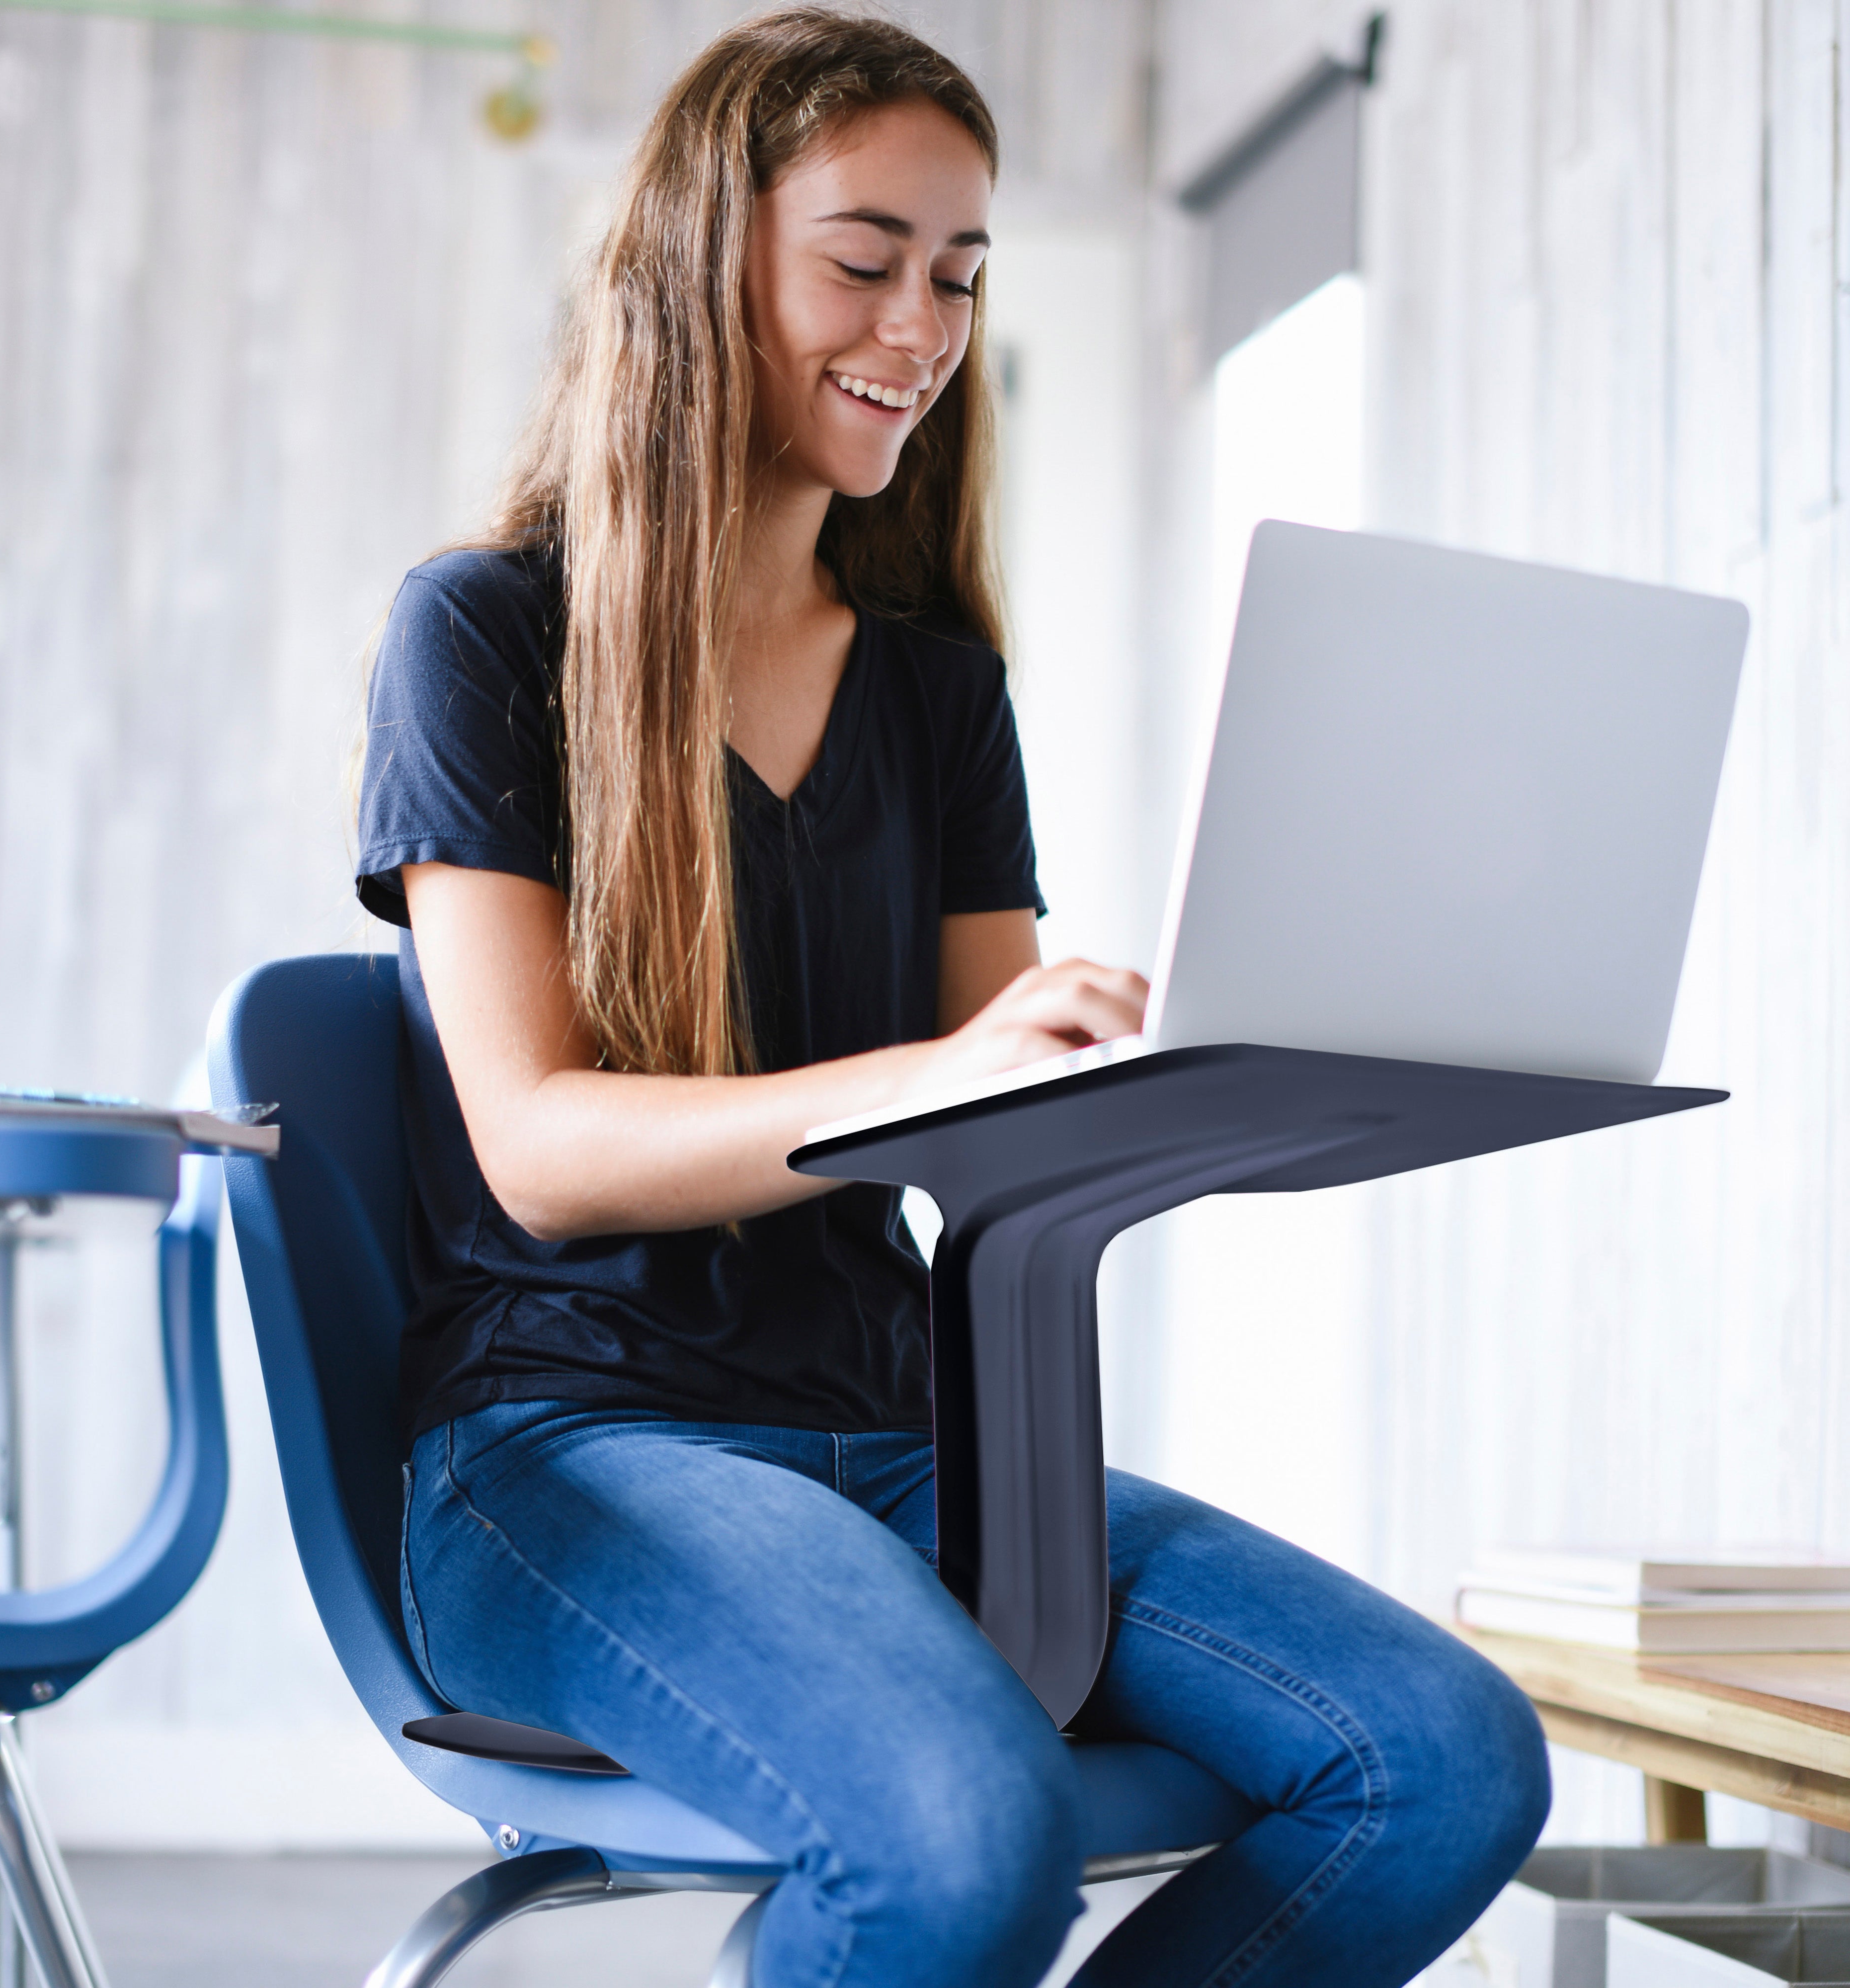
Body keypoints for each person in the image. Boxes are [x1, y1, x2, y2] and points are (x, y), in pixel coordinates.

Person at [355, 11, 1550, 1984]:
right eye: (863, 259)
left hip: (906, 1435)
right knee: (962, 1840)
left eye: (960, 275)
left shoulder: (933, 692)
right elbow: (544, 1153)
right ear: (703, 258)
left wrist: (1236, 1082)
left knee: (1440, 1756)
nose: (919, 326)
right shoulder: (482, 633)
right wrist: (947, 1066)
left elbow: (1000, 1133)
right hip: (569, 1441)